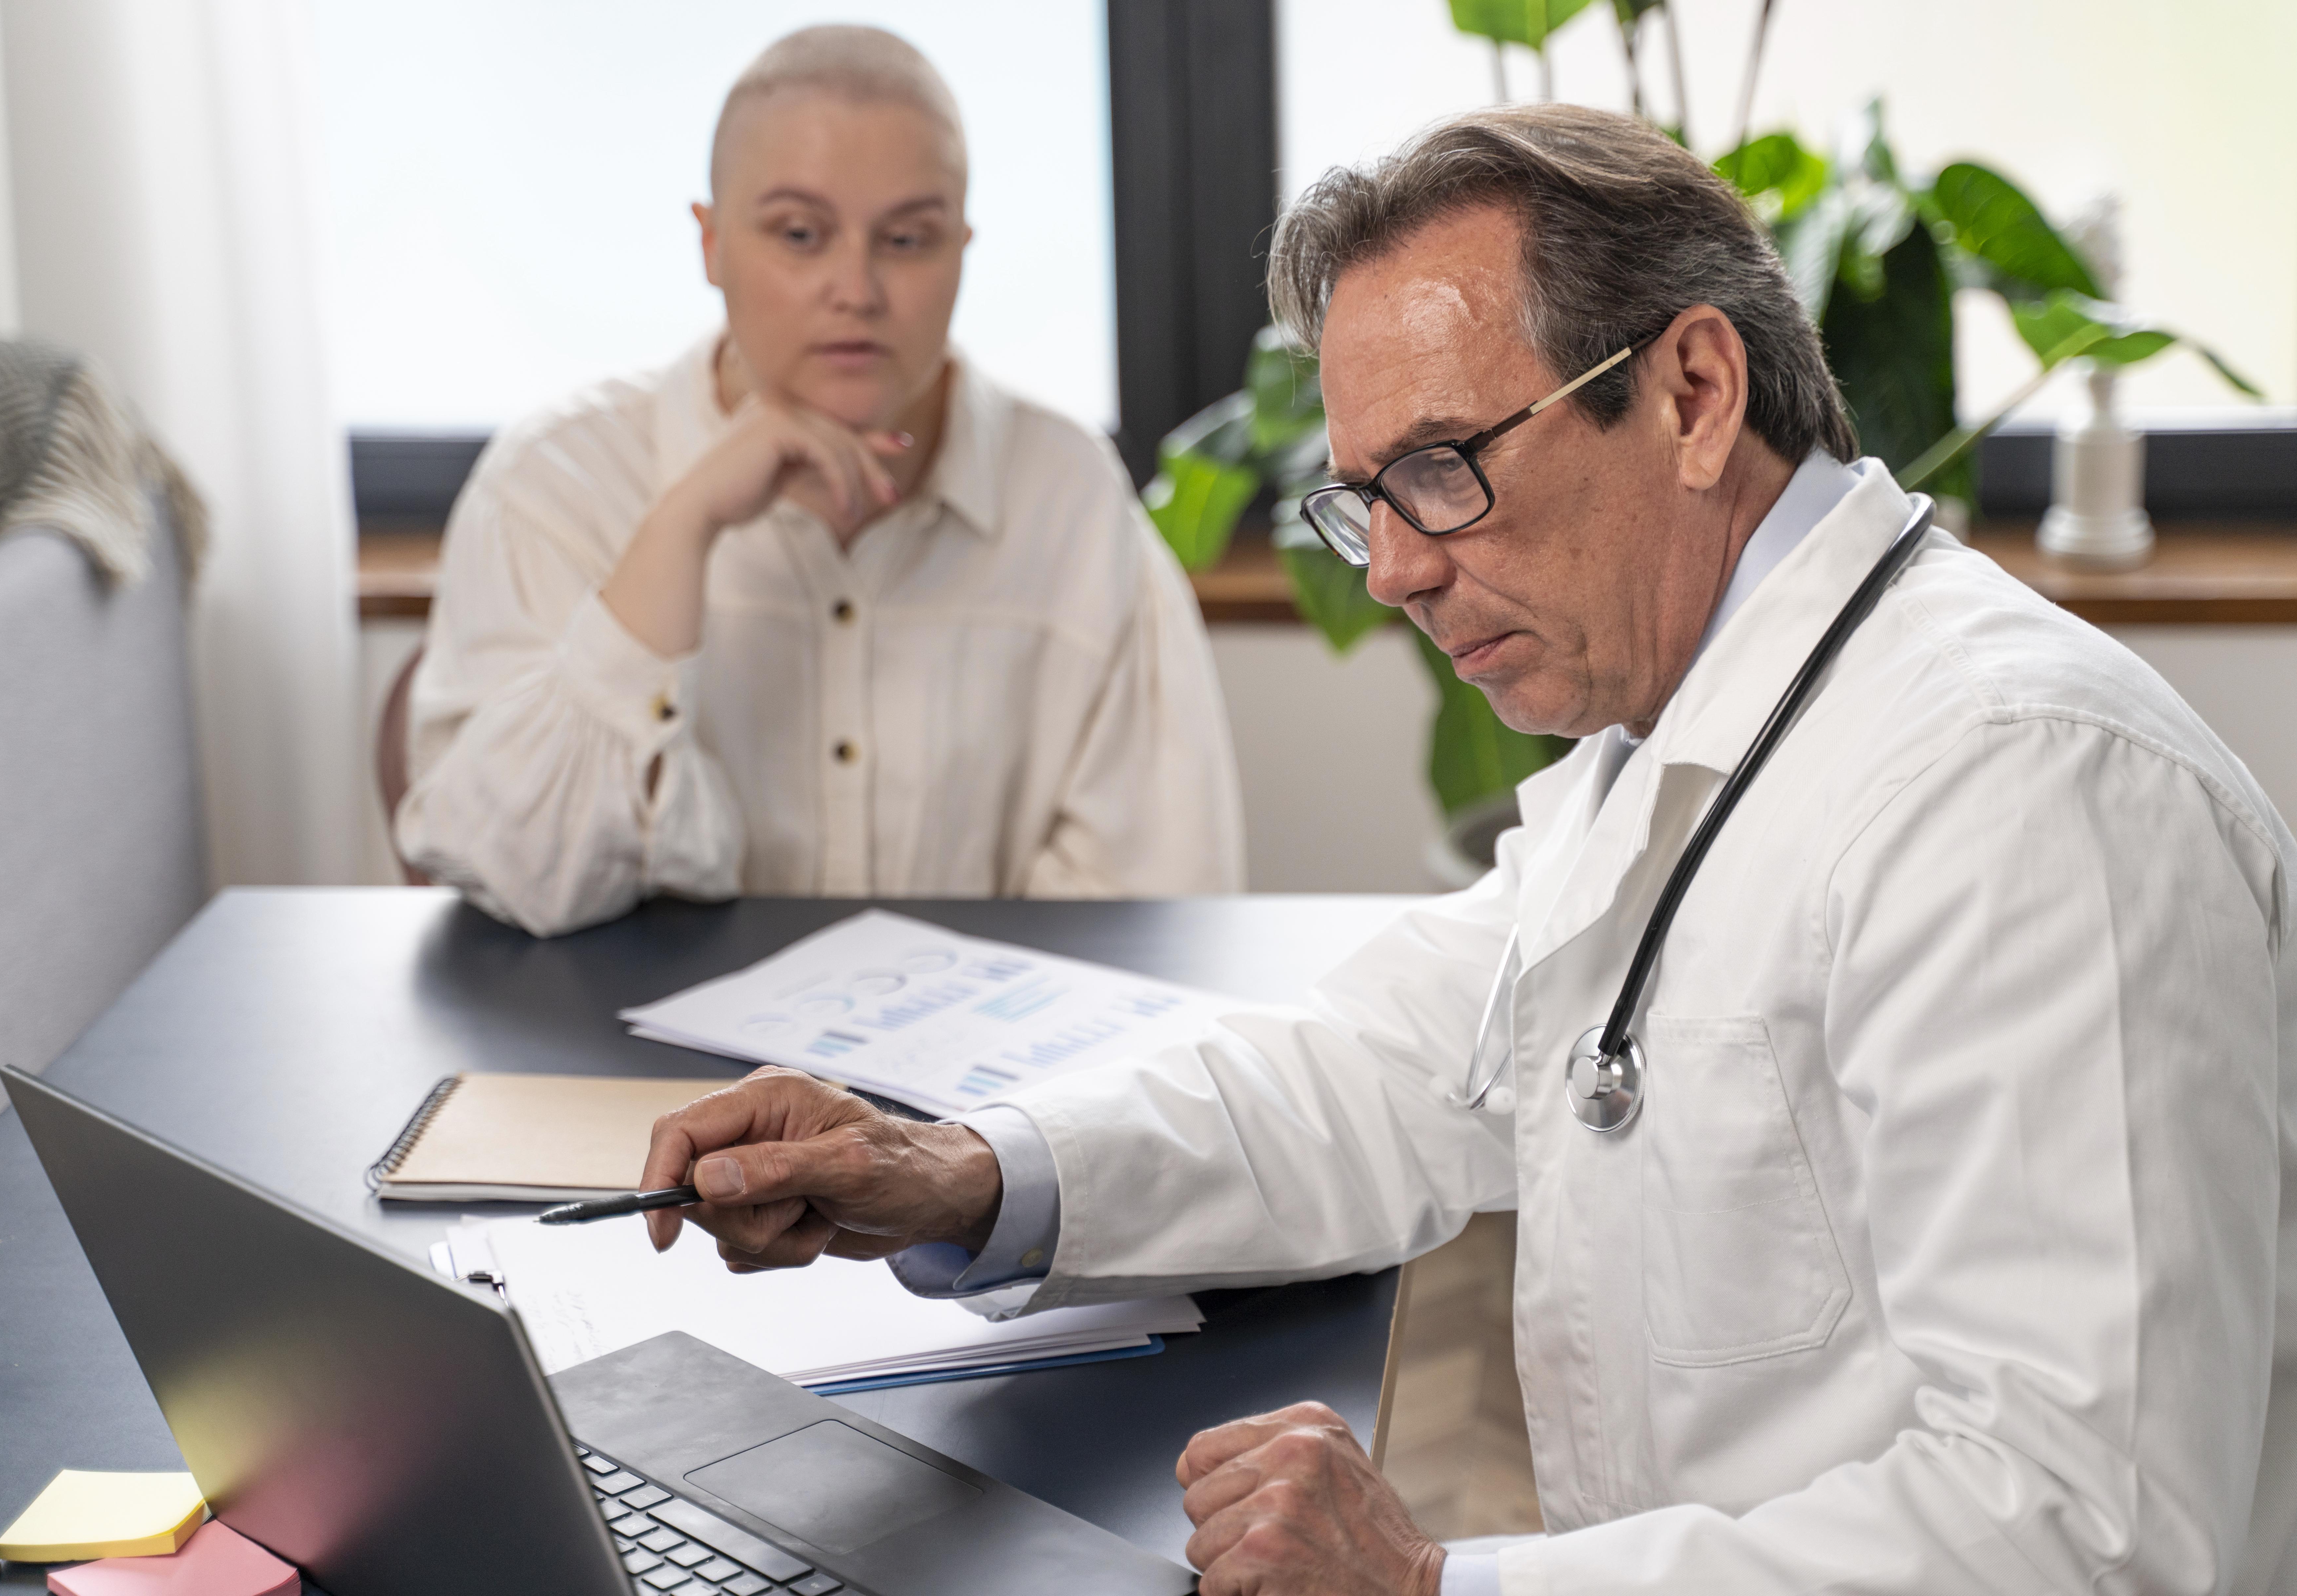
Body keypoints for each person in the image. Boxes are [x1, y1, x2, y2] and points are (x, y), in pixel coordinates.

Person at [633, 104, 2297, 1595]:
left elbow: (2083, 1533)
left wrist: (1435, 1590)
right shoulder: (1676, 733)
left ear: (1692, 394)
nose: (1391, 571)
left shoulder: (2019, 788)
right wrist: (961, 1173)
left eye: (1439, 470)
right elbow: (1383, 1071)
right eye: (1365, 496)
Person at [398, 26, 1242, 936]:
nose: (856, 289)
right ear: (711, 244)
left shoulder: (1069, 492)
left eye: (907, 240)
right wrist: (681, 527)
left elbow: (1159, 904)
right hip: (627, 1036)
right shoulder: (552, 483)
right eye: (800, 235)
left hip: (977, 1031)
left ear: (961, 248)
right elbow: (514, 877)